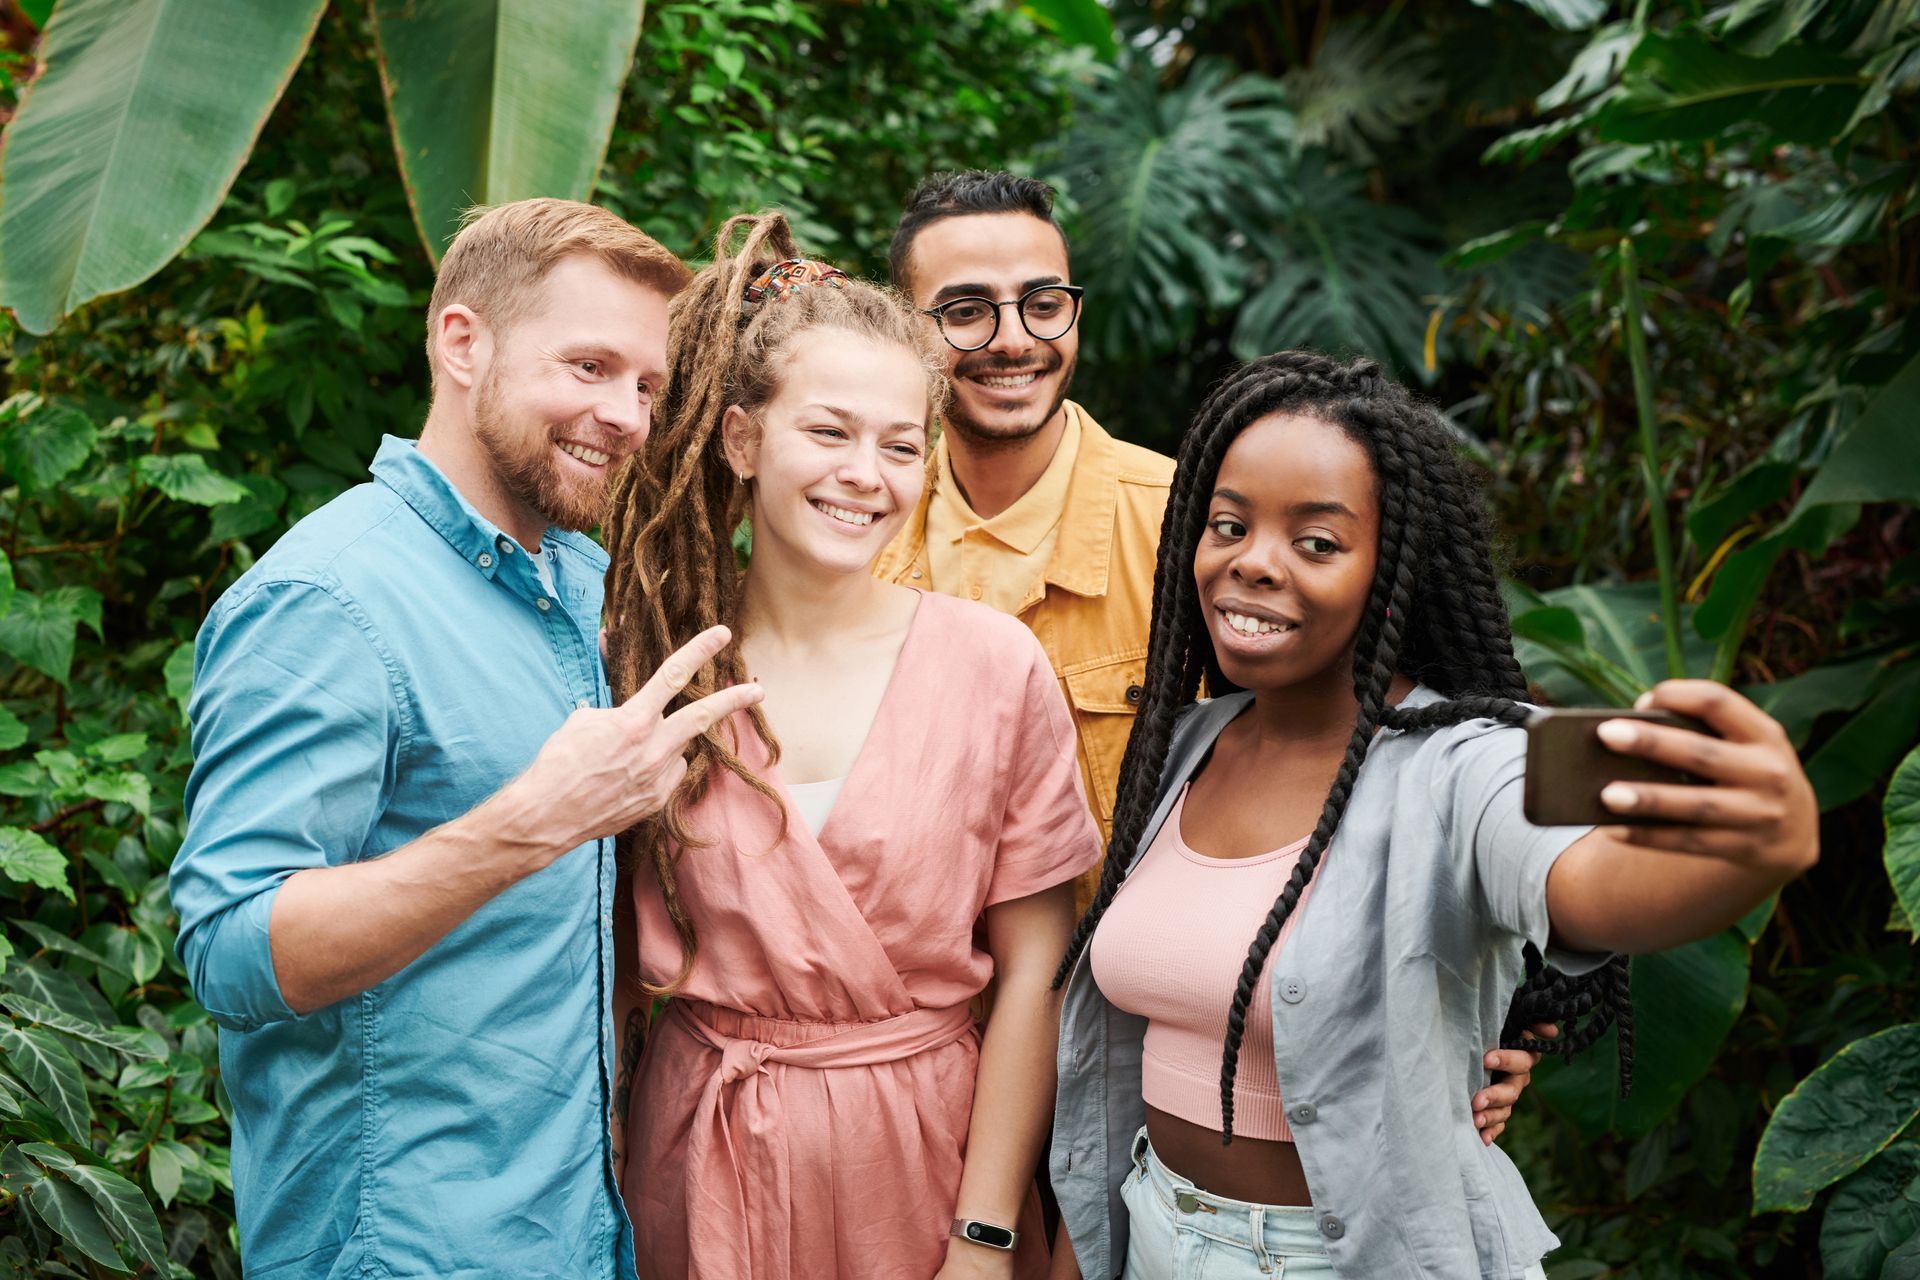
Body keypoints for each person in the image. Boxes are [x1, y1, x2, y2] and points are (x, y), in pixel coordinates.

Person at [1047, 351, 1820, 1279]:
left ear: (1393, 571)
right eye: (1228, 524)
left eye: (1318, 542)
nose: (1253, 562)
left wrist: (1747, 853)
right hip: (1152, 1222)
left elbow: (1588, 881)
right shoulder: (1179, 746)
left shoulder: (1464, 759)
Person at [878, 170, 1545, 1139]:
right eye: (967, 310)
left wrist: (1506, 999)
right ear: (907, 329)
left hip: (1148, 1074)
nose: (1013, 337)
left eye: (1042, 302)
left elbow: (1430, 737)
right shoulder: (853, 532)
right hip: (913, 1073)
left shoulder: (1199, 534)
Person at [170, 199, 763, 1277]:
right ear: (461, 341)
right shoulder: (329, 598)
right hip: (401, 1247)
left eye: (646, 384)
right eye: (587, 366)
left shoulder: (584, 580)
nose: (625, 415)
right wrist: (531, 822)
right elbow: (229, 946)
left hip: (581, 1229)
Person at [600, 212, 1100, 1280]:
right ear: (742, 439)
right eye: (828, 432)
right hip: (703, 1156)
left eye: (899, 443)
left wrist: (984, 1232)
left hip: (923, 1161)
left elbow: (1032, 975)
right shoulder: (655, 662)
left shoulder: (992, 665)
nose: (864, 474)